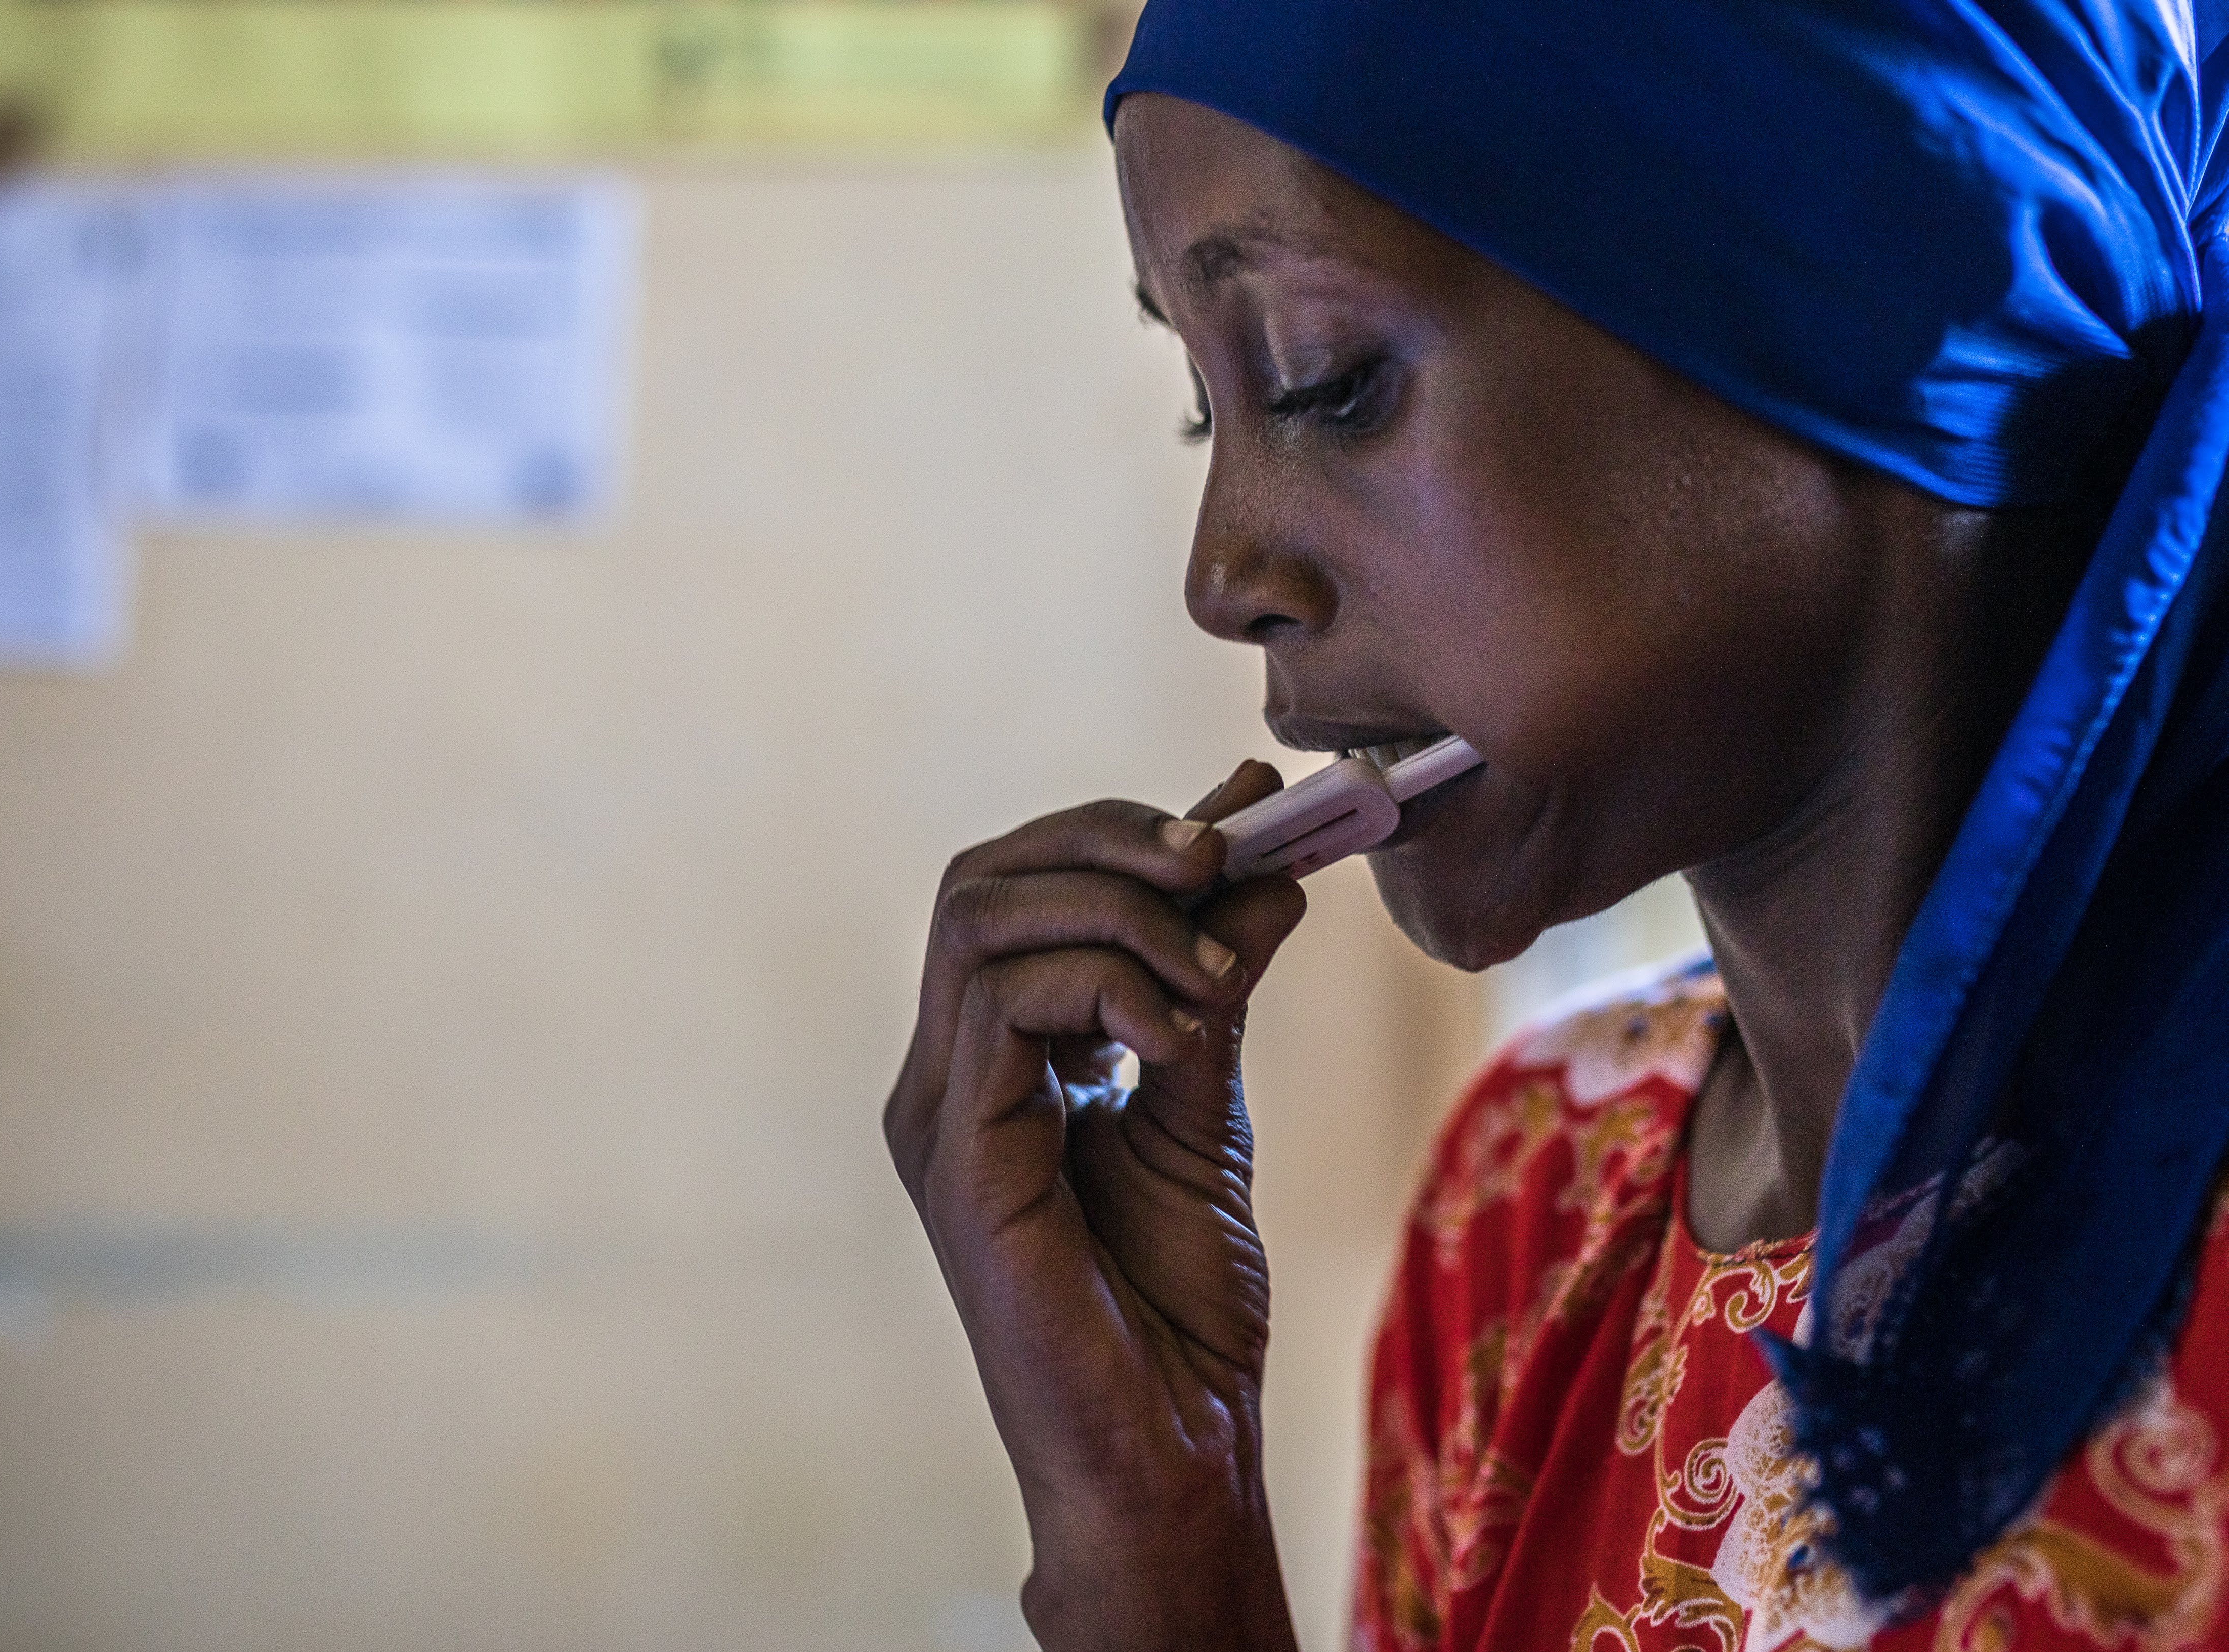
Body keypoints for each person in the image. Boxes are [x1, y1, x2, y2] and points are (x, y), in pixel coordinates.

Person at [885, 3, 2229, 1648]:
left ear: (1850, 308)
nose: (1223, 574)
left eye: (1323, 381)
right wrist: (1154, 1528)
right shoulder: (1529, 1196)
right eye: (1200, 407)